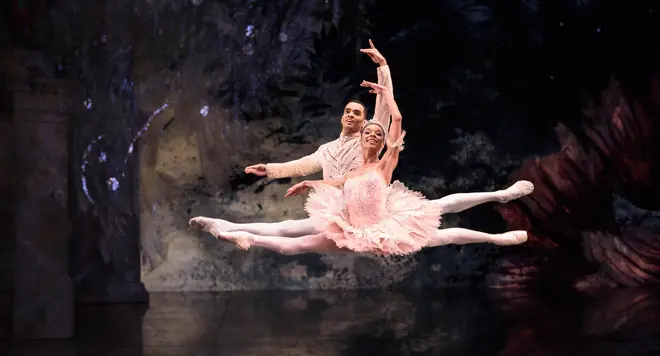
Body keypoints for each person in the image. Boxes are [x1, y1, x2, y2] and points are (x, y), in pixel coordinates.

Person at [212, 80, 531, 255]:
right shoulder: (335, 155)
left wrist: (387, 85)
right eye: (368, 131)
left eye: (376, 132)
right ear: (353, 127)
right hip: (350, 223)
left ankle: (500, 211)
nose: (371, 133)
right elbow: (324, 177)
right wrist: (294, 179)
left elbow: (395, 119)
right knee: (292, 243)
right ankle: (236, 233)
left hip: (386, 223)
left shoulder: (384, 160)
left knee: (443, 219)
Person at [189, 40, 394, 238]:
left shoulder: (368, 141)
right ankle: (230, 229)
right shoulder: (327, 149)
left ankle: (231, 230)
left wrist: (383, 67)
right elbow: (301, 165)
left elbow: (384, 108)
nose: (350, 115)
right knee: (289, 235)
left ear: (365, 121)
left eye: (356, 113)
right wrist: (269, 169)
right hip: (337, 212)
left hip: (360, 211)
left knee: (289, 234)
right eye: (347, 111)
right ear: (341, 117)